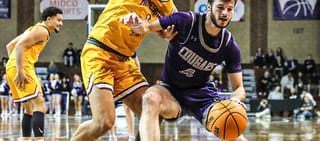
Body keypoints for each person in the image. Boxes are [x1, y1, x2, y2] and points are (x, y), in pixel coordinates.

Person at [122, 0, 247, 140]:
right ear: (209, 7)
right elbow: (147, 26)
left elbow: (239, 88)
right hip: (170, 90)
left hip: (202, 95)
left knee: (231, 125)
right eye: (220, 7)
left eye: (230, 9)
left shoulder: (229, 44)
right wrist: (136, 23)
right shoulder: (186, 21)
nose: (225, 13)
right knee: (150, 98)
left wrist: (235, 100)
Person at [70, 0, 178, 140]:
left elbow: (175, 25)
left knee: (152, 113)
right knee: (104, 122)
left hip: (124, 60)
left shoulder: (168, 6)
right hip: (100, 52)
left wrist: (167, 33)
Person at [5, 7, 63, 140]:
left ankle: (26, 139)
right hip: (22, 67)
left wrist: (13, 66)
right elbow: (19, 47)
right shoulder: (42, 31)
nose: (61, 23)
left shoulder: (33, 29)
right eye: (58, 20)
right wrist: (20, 71)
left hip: (12, 67)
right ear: (49, 19)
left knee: (29, 109)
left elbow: (10, 46)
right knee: (40, 105)